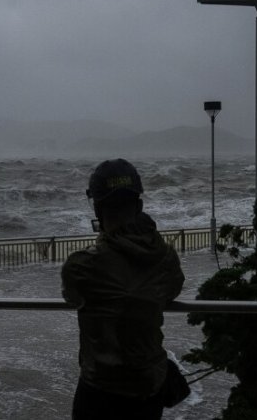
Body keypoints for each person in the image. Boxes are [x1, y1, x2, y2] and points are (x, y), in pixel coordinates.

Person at [61, 158, 185, 420]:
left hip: (99, 390)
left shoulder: (82, 265)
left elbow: (72, 296)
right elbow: (172, 290)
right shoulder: (165, 258)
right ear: (139, 205)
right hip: (149, 388)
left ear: (97, 209)